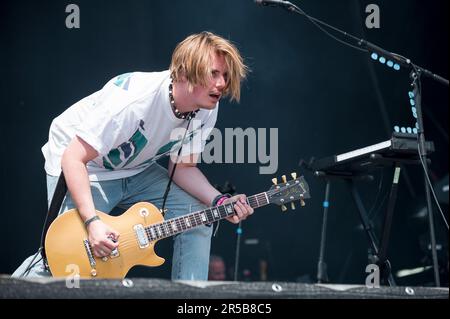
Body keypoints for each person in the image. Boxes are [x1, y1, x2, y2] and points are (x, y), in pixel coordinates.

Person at [12, 31, 253, 281]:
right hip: (85, 165)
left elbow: (182, 167)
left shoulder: (205, 108)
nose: (222, 83)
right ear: (184, 72)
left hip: (135, 169)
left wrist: (220, 202)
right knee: (62, 256)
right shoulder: (134, 102)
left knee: (198, 213)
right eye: (214, 73)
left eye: (225, 75)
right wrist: (92, 222)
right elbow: (73, 158)